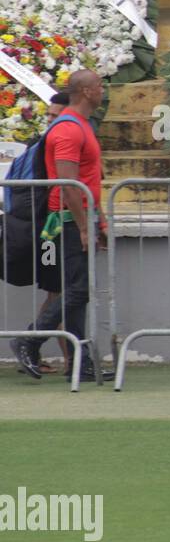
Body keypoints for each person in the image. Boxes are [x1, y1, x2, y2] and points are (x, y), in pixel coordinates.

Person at [13, 73, 110, 382]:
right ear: (85, 91)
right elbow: (68, 186)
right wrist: (84, 227)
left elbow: (90, 180)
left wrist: (99, 221)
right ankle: (30, 340)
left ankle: (80, 364)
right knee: (77, 291)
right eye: (99, 86)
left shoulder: (80, 125)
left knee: (75, 292)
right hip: (68, 220)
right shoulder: (68, 129)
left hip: (79, 217)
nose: (102, 91)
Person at [8, 92, 71, 375]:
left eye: (54, 116)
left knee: (58, 292)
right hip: (49, 230)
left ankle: (34, 347)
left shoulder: (48, 141)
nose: (50, 121)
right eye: (49, 116)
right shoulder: (54, 143)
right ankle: (38, 347)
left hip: (45, 227)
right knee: (61, 293)